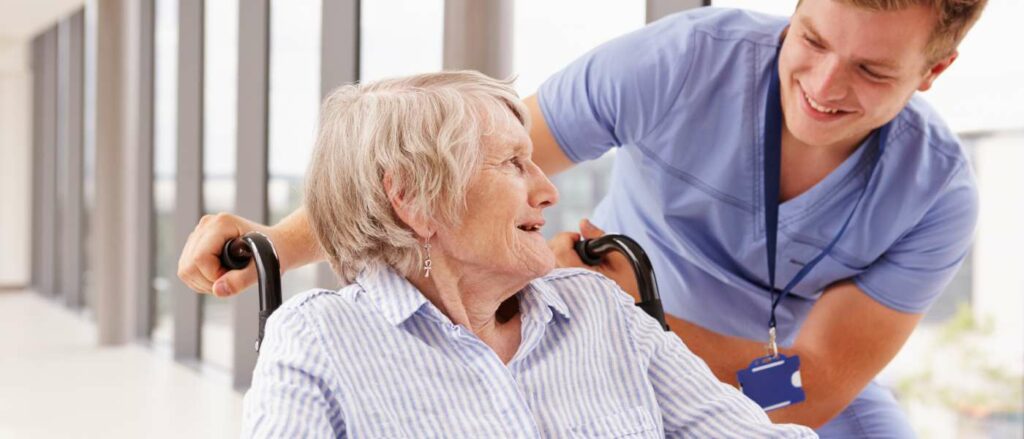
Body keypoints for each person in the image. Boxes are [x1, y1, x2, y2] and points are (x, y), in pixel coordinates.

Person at [180, 1, 987, 436]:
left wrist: (641, 313)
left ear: (934, 70)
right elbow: (437, 172)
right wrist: (274, 243)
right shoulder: (679, 63)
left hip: (757, 365)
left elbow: (813, 385)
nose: (823, 83)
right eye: (810, 39)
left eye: (871, 70)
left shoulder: (936, 192)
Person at [240, 71, 815, 438]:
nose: (548, 190)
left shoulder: (598, 309)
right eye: (513, 164)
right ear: (413, 198)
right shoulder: (319, 338)